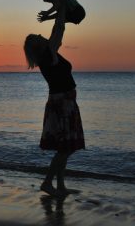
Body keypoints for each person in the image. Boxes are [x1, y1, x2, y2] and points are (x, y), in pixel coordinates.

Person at [24, 34, 85, 197]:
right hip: (62, 103)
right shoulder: (47, 55)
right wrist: (60, 12)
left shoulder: (49, 54)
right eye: (37, 36)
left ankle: (60, 186)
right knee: (65, 148)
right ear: (38, 44)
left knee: (65, 148)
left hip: (64, 102)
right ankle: (47, 183)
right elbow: (58, 31)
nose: (41, 35)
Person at [35, 0, 86, 65]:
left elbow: (57, 6)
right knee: (57, 24)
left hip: (77, 12)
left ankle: (54, 46)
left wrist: (47, 13)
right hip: (74, 13)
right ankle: (55, 43)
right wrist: (47, 18)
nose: (44, 1)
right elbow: (59, 12)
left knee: (59, 23)